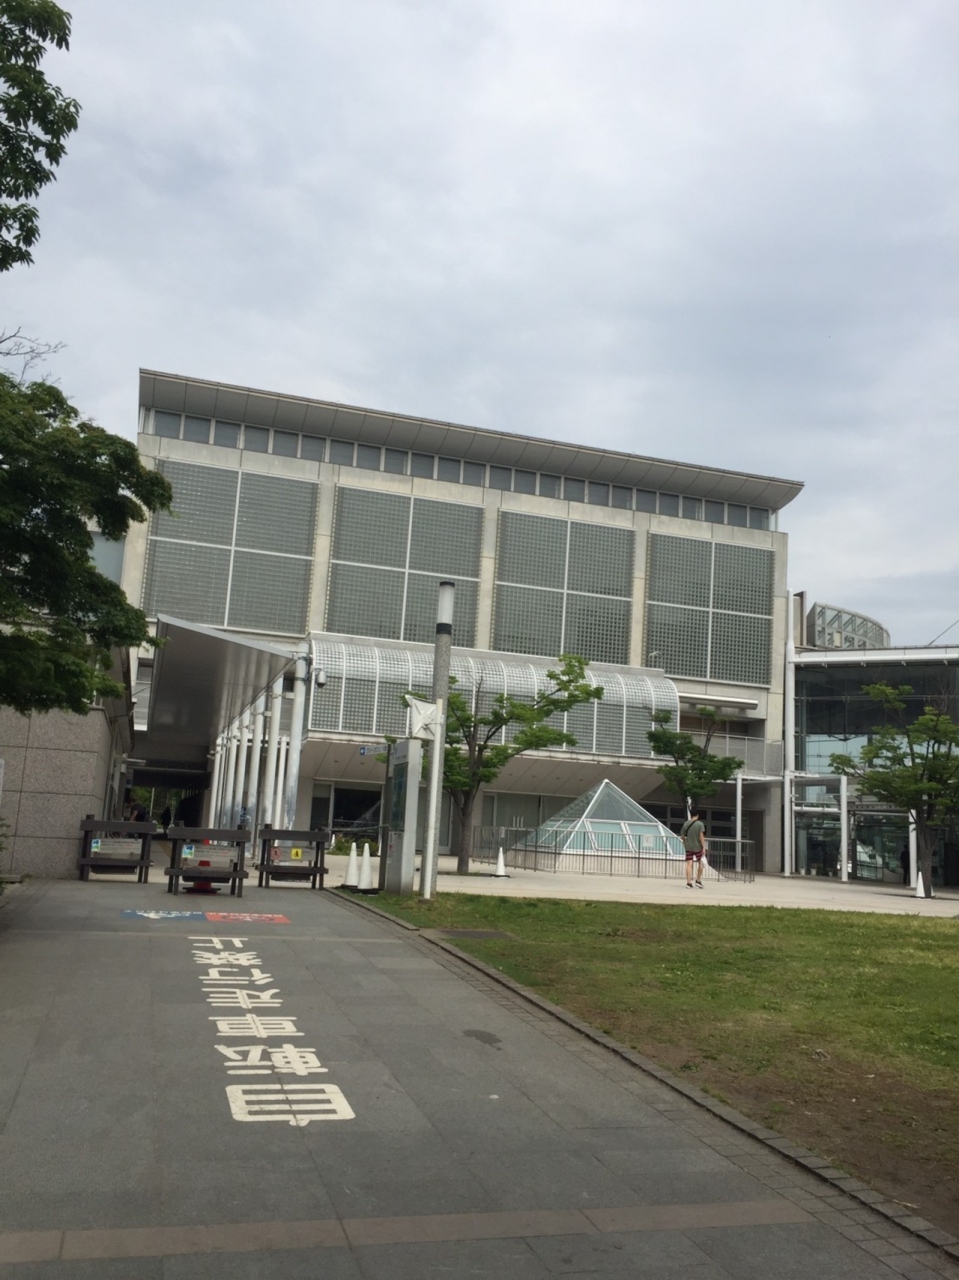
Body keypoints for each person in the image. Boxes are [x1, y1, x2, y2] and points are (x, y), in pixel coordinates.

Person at [680, 804, 706, 888]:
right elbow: (701, 836)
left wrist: (685, 842)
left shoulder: (686, 823)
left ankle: (688, 882)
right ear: (697, 815)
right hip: (698, 847)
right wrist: (703, 847)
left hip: (688, 847)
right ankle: (698, 880)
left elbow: (682, 836)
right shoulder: (700, 824)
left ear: (691, 815)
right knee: (701, 863)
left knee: (689, 864)